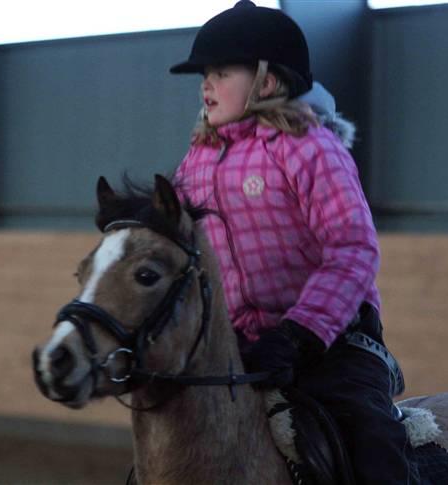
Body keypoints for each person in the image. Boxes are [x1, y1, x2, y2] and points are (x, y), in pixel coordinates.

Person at [170, 2, 419, 483]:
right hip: (240, 346)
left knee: (371, 445)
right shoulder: (196, 161)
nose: (206, 85)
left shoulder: (309, 146)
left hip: (333, 343)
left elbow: (353, 247)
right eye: (204, 74)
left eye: (221, 73)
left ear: (266, 82)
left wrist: (301, 333)